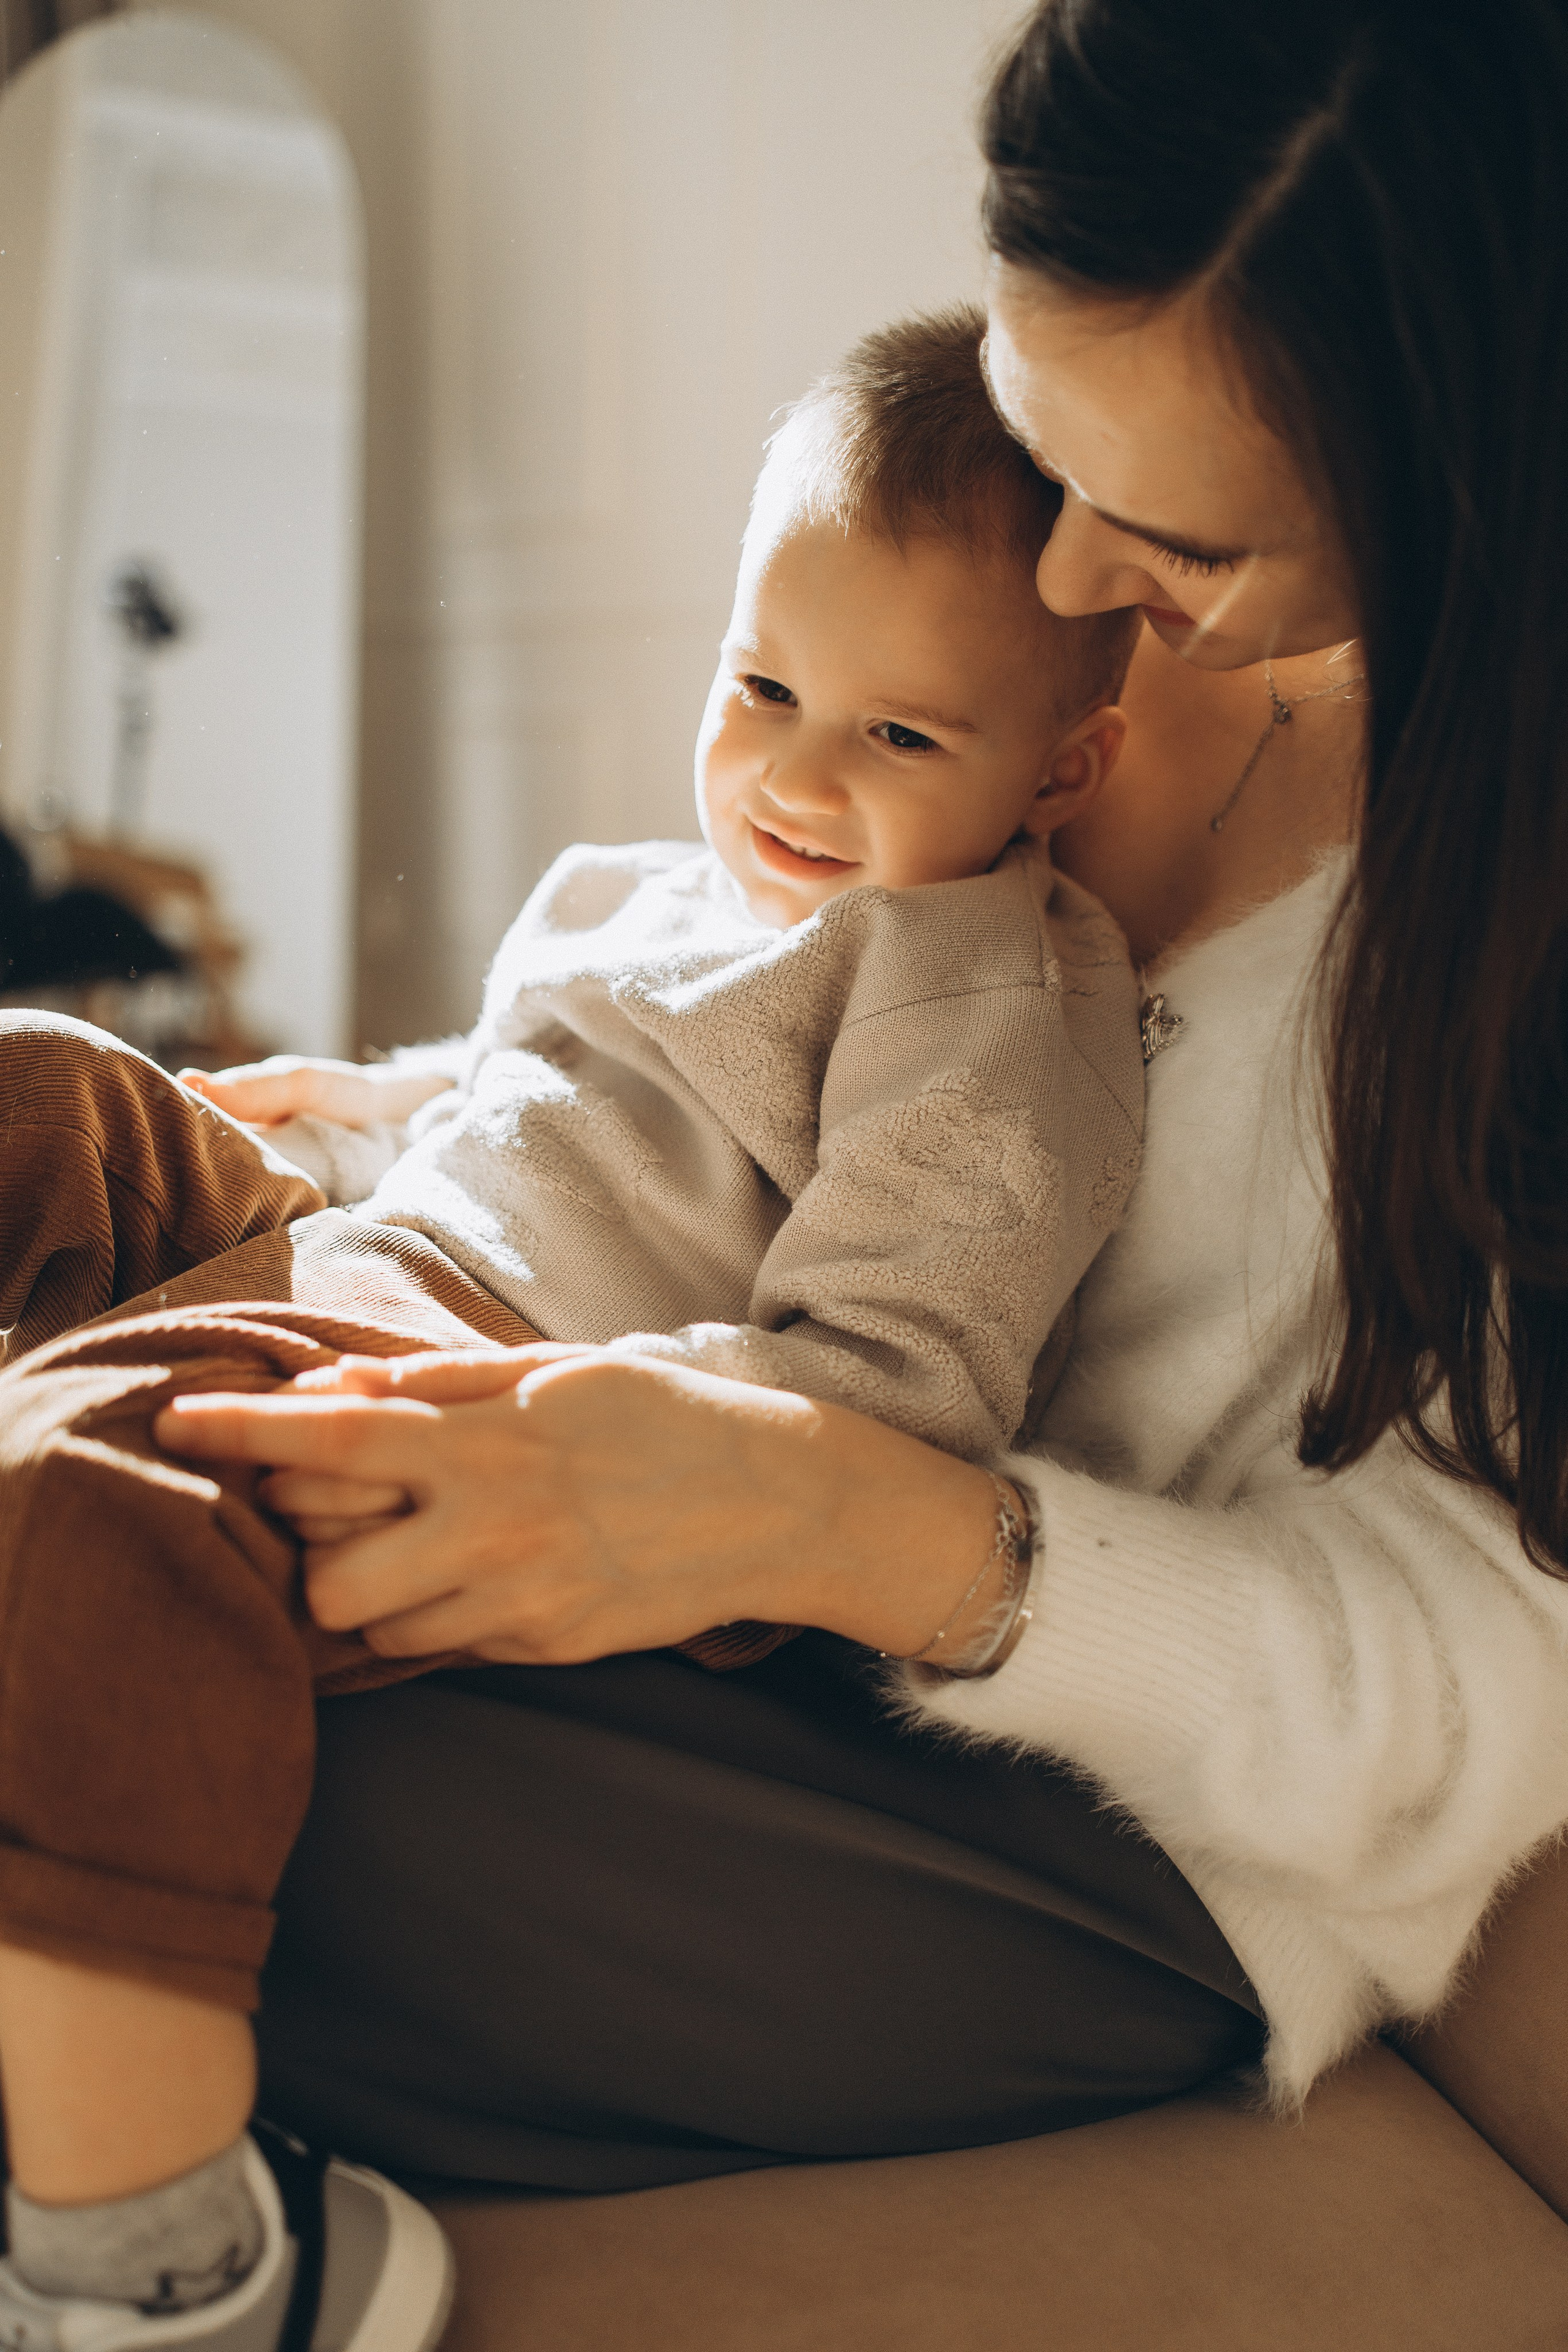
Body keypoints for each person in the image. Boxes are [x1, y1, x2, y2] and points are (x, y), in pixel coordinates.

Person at [5, 0, 1568, 2343]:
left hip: (1071, 1796)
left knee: (90, 1629)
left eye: (1176, 542)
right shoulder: (938, 589)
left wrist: (841, 1518)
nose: (1060, 582)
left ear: (1460, 471)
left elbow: (1489, 1675)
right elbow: (665, 1072)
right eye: (1052, 441)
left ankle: (170, 2276)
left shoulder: (1473, 916)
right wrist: (368, 1126)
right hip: (641, 1453)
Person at [184, 307, 1143, 1482]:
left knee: (72, 1466)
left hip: (502, 1373)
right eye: (765, 687)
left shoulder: (964, 994)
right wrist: (368, 1116)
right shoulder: (644, 896)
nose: (795, 781)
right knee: (45, 1086)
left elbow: (898, 1380)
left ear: (1060, 772)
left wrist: (570, 1409)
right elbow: (543, 1122)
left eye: (897, 735)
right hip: (372, 1226)